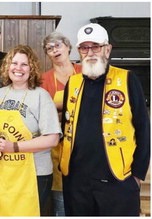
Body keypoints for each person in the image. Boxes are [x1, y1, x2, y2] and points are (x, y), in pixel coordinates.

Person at [61, 23, 150, 216]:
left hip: (117, 179)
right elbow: (67, 125)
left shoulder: (127, 79)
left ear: (107, 49)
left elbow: (143, 128)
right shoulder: (73, 82)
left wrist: (137, 175)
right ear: (79, 51)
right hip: (77, 182)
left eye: (96, 46)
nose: (90, 52)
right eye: (85, 47)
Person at [0, 45, 61, 216]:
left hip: (34, 174)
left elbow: (52, 139)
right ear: (7, 67)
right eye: (14, 63)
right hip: (1, 172)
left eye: (24, 64)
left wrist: (14, 147)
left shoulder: (41, 96)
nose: (18, 68)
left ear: (32, 68)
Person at [40, 31, 82, 216]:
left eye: (58, 45)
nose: (55, 50)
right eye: (50, 48)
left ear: (68, 47)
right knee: (61, 205)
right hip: (57, 150)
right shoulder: (44, 79)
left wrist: (58, 106)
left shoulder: (84, 71)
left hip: (84, 148)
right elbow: (44, 112)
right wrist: (75, 105)